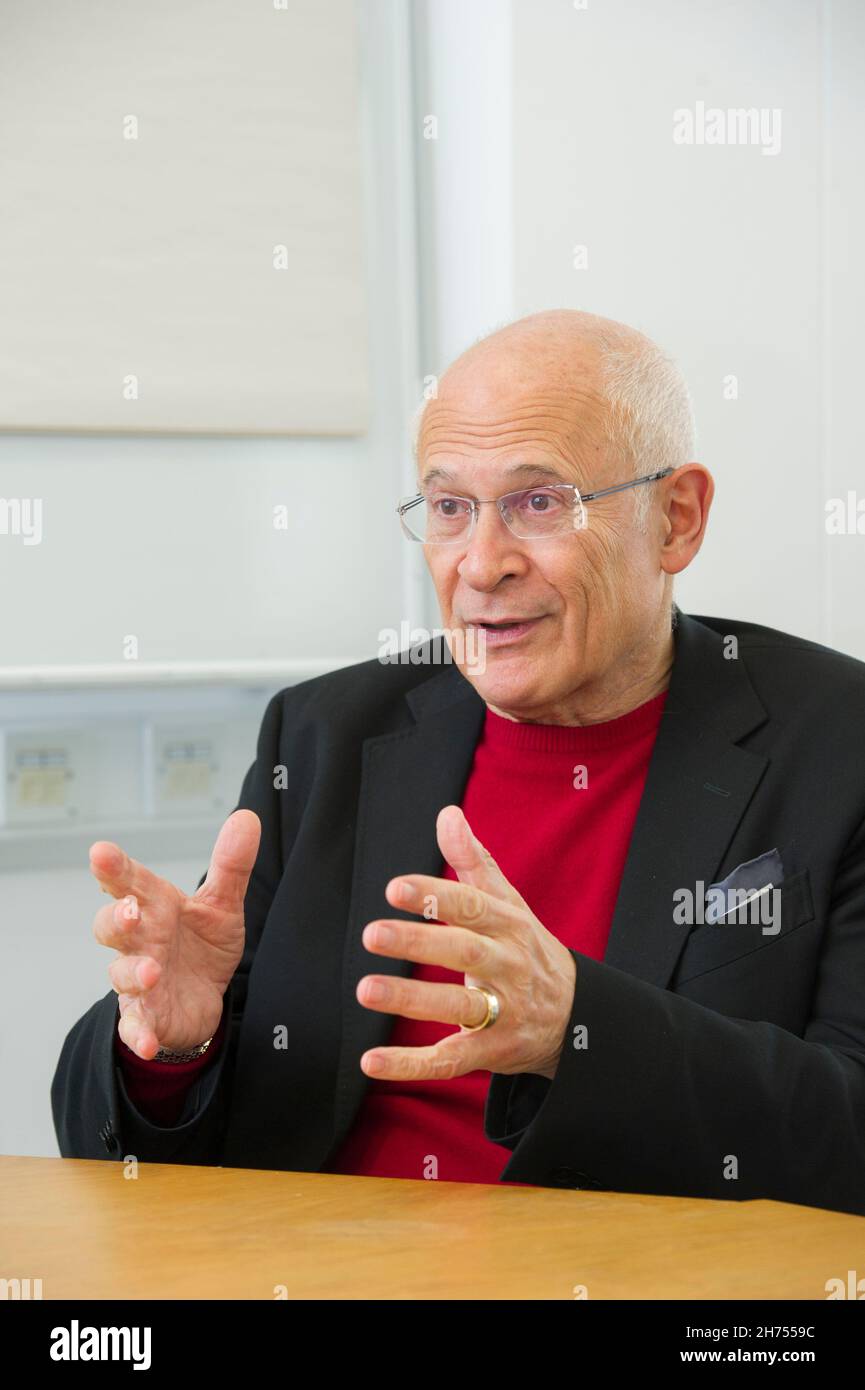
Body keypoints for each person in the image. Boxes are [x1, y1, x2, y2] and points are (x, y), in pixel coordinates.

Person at [52, 310, 865, 1214]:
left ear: (675, 520)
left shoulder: (837, 744)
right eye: (447, 508)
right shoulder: (326, 733)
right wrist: (173, 1048)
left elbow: (847, 1132)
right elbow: (169, 1144)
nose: (481, 565)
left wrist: (576, 1027)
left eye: (539, 501)